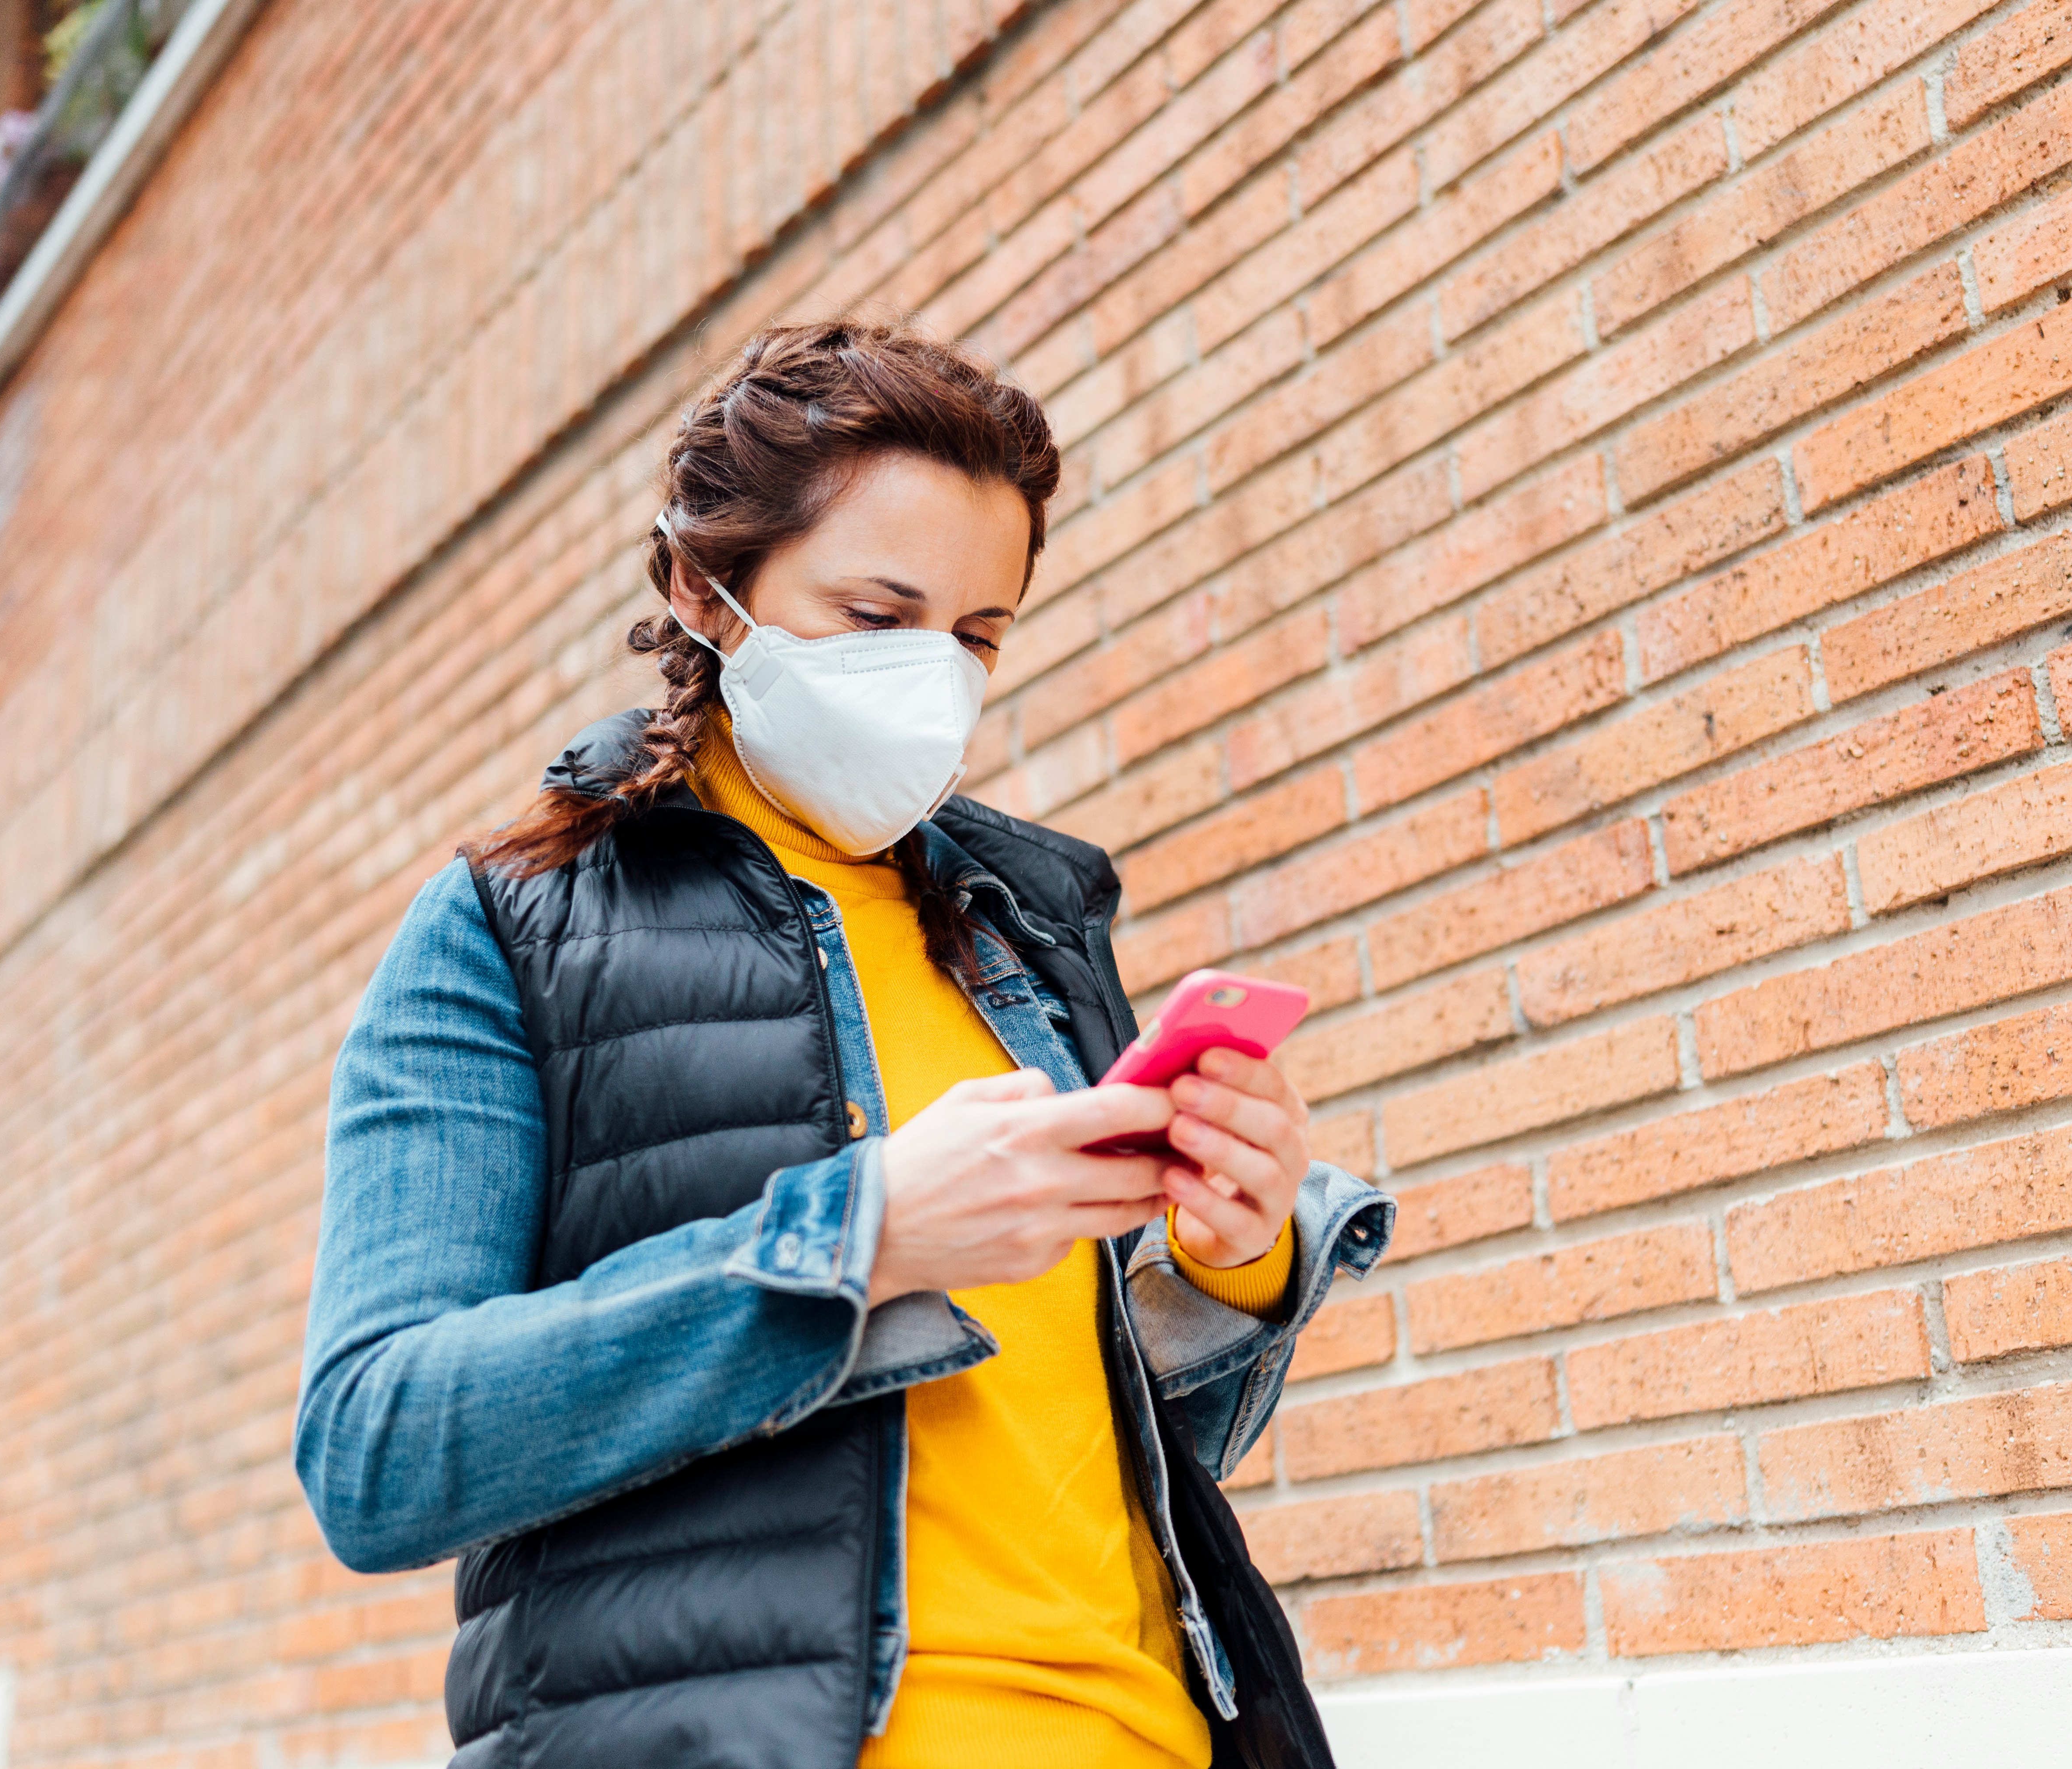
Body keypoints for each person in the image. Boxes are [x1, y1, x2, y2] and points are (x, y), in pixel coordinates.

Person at [294, 316, 1393, 1769]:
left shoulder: (1032, 926)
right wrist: (860, 1238)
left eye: (977, 636)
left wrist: (1226, 1266)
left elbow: (1093, 1452)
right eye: (877, 618)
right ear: (704, 586)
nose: (932, 679)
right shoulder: (512, 932)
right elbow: (378, 1449)